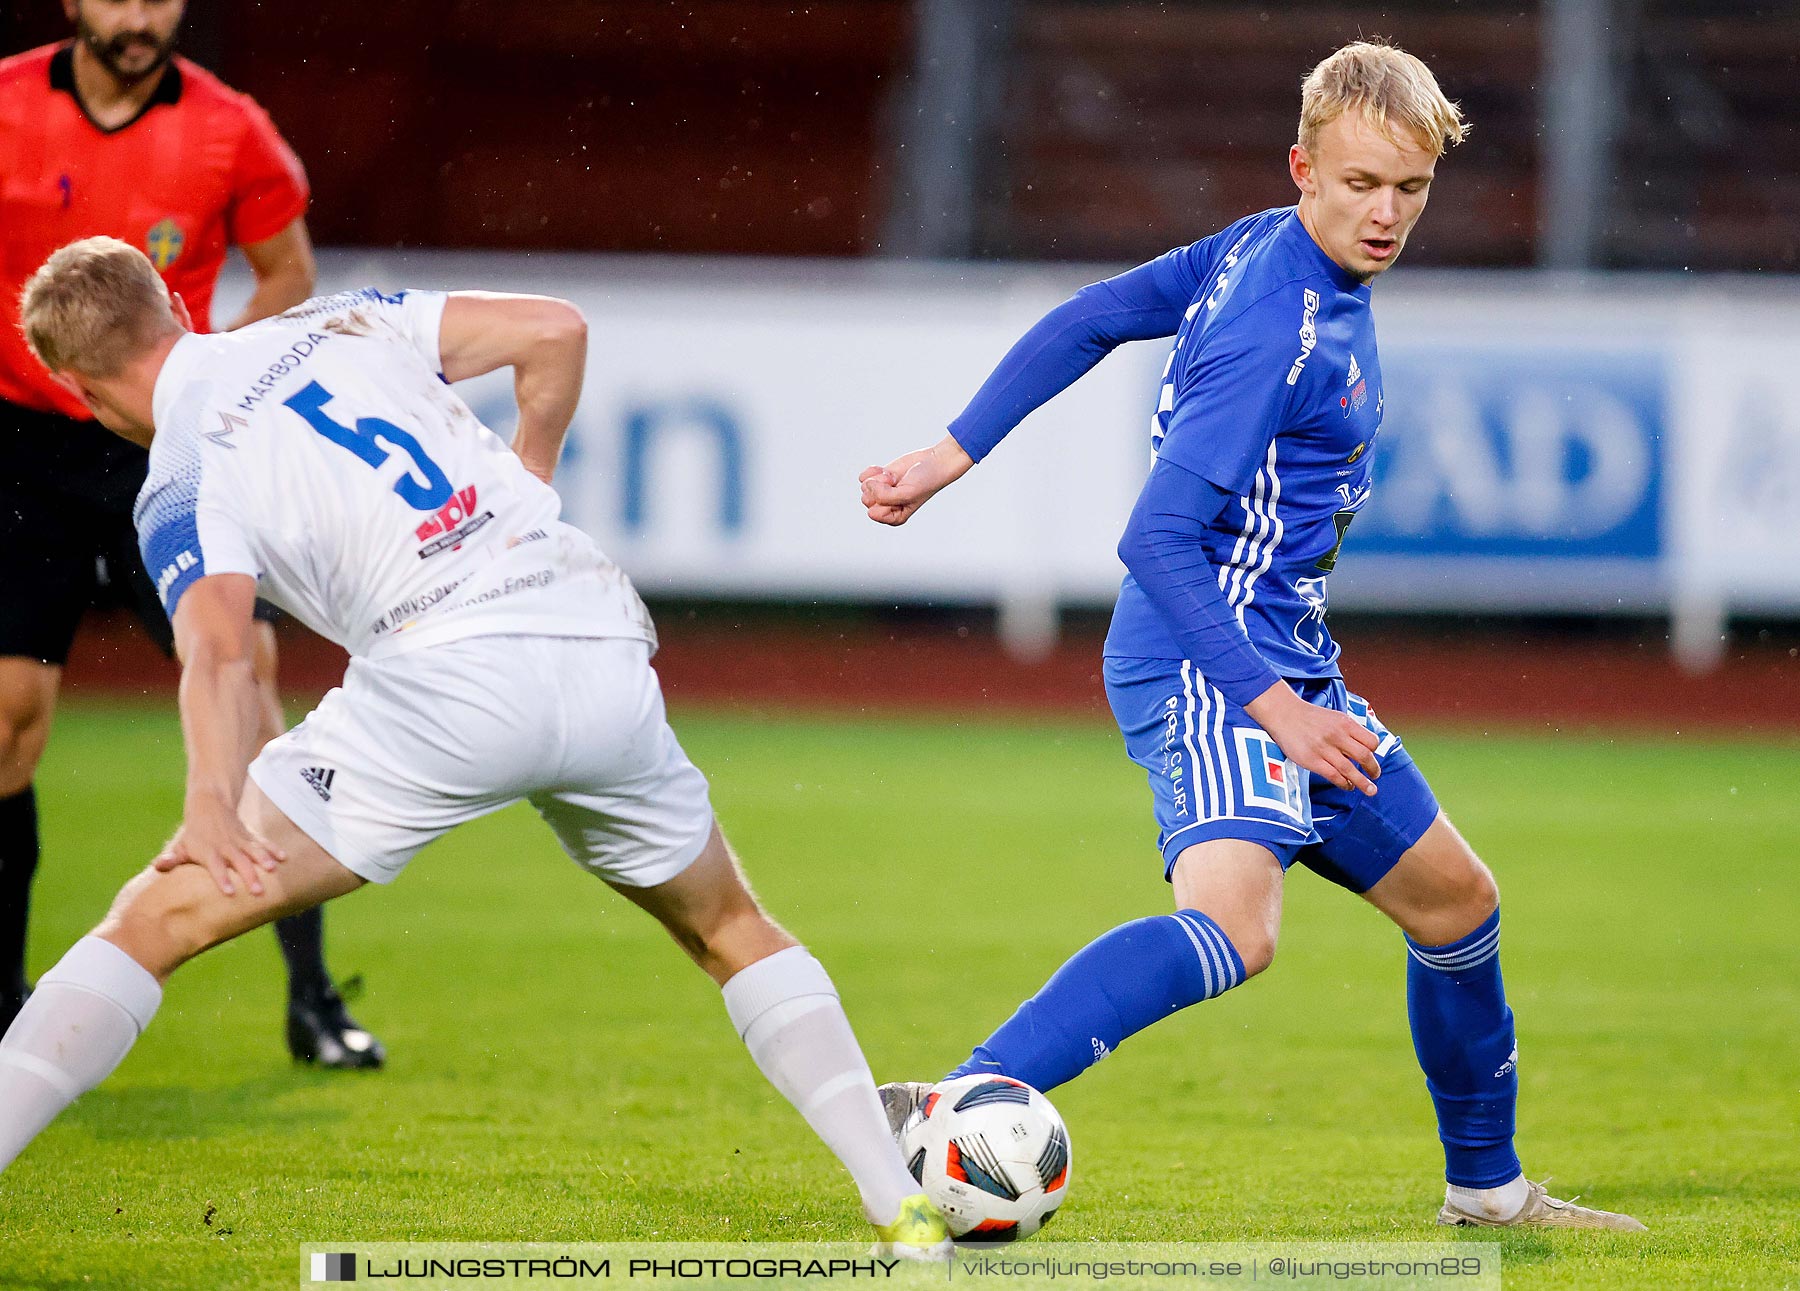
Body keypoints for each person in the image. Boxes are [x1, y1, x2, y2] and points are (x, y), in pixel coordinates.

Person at [0, 238, 952, 1257]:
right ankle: (897, 1201)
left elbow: (222, 650)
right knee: (729, 925)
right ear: (175, 309)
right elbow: (555, 330)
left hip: (443, 682)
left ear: (81, 388)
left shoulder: (181, 471)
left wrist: (208, 800)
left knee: (154, 919)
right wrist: (530, 471)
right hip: (592, 639)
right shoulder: (339, 318)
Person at [859, 42, 1644, 1232]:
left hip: (1284, 651)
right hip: (1211, 655)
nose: (1386, 214)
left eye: (1411, 189)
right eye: (1362, 184)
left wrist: (951, 451)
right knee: (1238, 926)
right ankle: (956, 1098)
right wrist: (1278, 710)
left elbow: (1093, 316)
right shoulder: (1276, 327)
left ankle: (1487, 1193)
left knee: (1456, 904)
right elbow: (1158, 542)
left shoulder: (1257, 249)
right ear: (1303, 169)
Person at [0, 0, 382, 1066]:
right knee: (6, 727)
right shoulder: (5, 105)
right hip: (20, 452)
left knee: (251, 697)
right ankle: (3, 1001)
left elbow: (290, 271)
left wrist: (216, 386)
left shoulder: (230, 129)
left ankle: (312, 998)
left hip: (165, 444)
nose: (140, 15)